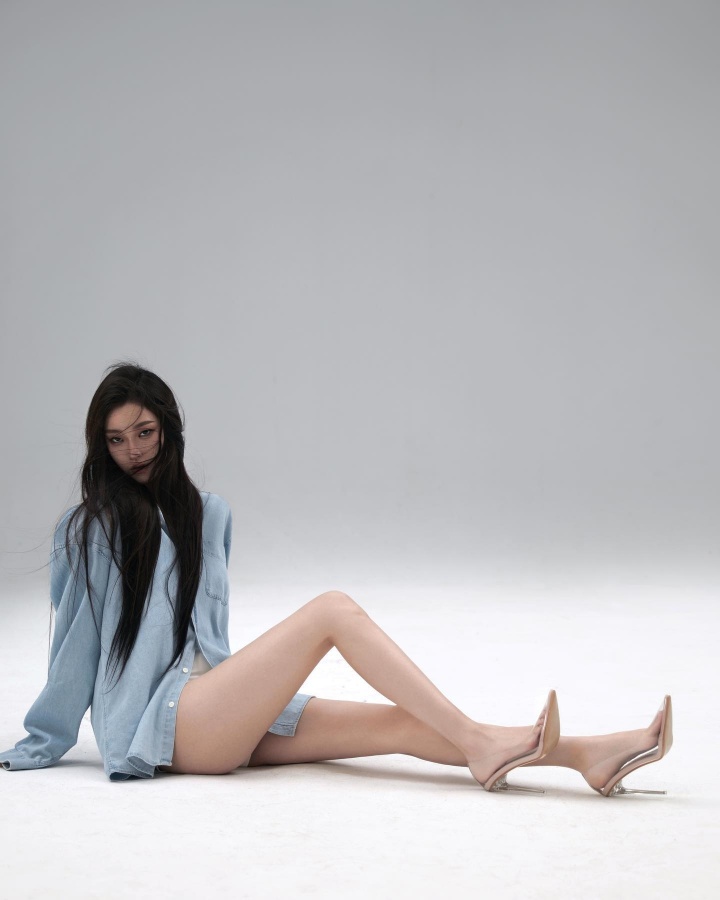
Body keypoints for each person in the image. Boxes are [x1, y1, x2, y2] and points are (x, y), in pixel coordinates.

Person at [1, 364, 673, 795]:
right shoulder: (90, 529)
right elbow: (74, 651)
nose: (132, 451)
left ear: (169, 431)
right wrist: (44, 741)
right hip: (163, 726)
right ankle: (479, 744)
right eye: (115, 440)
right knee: (332, 611)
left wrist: (245, 694)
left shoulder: (209, 515)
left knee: (400, 723)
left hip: (214, 706)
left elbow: (206, 640)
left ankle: (589, 755)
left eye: (144, 432)